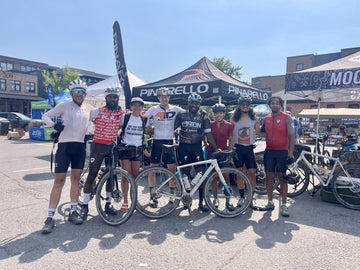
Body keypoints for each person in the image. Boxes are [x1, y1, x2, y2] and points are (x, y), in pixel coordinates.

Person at [41, 80, 92, 234]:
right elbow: (45, 116)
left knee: (76, 180)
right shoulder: (64, 106)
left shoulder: (89, 108)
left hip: (79, 147)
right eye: (76, 91)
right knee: (59, 181)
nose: (79, 93)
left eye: (82, 91)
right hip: (64, 147)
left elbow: (104, 114)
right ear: (71, 93)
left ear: (85, 94)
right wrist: (53, 125)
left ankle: (73, 211)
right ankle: (49, 217)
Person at [79, 88, 124, 221]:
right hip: (98, 146)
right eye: (110, 97)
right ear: (106, 98)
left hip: (111, 147)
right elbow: (85, 121)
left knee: (111, 175)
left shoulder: (120, 113)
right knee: (92, 174)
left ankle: (108, 204)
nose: (112, 99)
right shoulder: (96, 111)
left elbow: (121, 126)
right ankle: (85, 206)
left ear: (117, 99)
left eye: (115, 97)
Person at [174, 93, 219, 211]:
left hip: (197, 148)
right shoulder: (181, 115)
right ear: (188, 103)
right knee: (184, 174)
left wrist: (215, 148)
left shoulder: (203, 117)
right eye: (192, 102)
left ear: (199, 104)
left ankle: (201, 202)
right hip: (183, 147)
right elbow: (171, 128)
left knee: (201, 175)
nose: (194, 105)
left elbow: (208, 133)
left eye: (197, 103)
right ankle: (185, 199)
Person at [143, 87, 184, 208]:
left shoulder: (175, 109)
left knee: (171, 169)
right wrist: (148, 128)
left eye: (166, 96)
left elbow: (187, 114)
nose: (164, 99)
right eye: (161, 97)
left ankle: (172, 194)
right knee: (152, 169)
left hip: (169, 141)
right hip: (156, 141)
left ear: (169, 97)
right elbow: (143, 119)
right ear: (158, 98)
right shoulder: (153, 109)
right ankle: (152, 195)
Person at [258, 96, 295, 217]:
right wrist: (254, 125)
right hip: (269, 151)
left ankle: (284, 205)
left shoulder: (286, 117)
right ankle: (270, 202)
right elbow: (262, 133)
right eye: (272, 103)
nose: (274, 105)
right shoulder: (266, 118)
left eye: (277, 103)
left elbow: (291, 137)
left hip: (282, 152)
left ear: (280, 105)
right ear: (269, 105)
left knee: (282, 178)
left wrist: (290, 154)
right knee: (268, 177)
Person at [118, 97, 146, 211]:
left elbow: (146, 133)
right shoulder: (125, 117)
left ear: (141, 107)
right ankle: (125, 201)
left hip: (137, 150)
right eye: (135, 105)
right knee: (126, 176)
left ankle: (135, 200)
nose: (137, 107)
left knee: (135, 177)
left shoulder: (143, 119)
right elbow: (118, 127)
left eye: (139, 105)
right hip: (125, 149)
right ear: (131, 107)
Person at [205, 103, 235, 210]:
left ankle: (228, 201)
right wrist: (205, 144)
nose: (219, 115)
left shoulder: (229, 125)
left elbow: (231, 139)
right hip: (211, 153)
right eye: (217, 113)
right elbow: (204, 135)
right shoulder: (210, 124)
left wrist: (230, 152)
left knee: (226, 177)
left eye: (221, 113)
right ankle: (215, 198)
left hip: (223, 153)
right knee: (213, 177)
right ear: (214, 114)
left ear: (224, 114)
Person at [231, 97, 260, 207]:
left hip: (249, 148)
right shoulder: (234, 119)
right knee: (239, 174)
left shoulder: (253, 118)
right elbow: (229, 134)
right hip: (238, 148)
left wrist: (257, 123)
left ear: (249, 106)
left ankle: (251, 197)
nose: (245, 106)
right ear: (239, 105)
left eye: (247, 104)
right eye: (243, 104)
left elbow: (258, 132)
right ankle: (242, 197)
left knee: (252, 173)